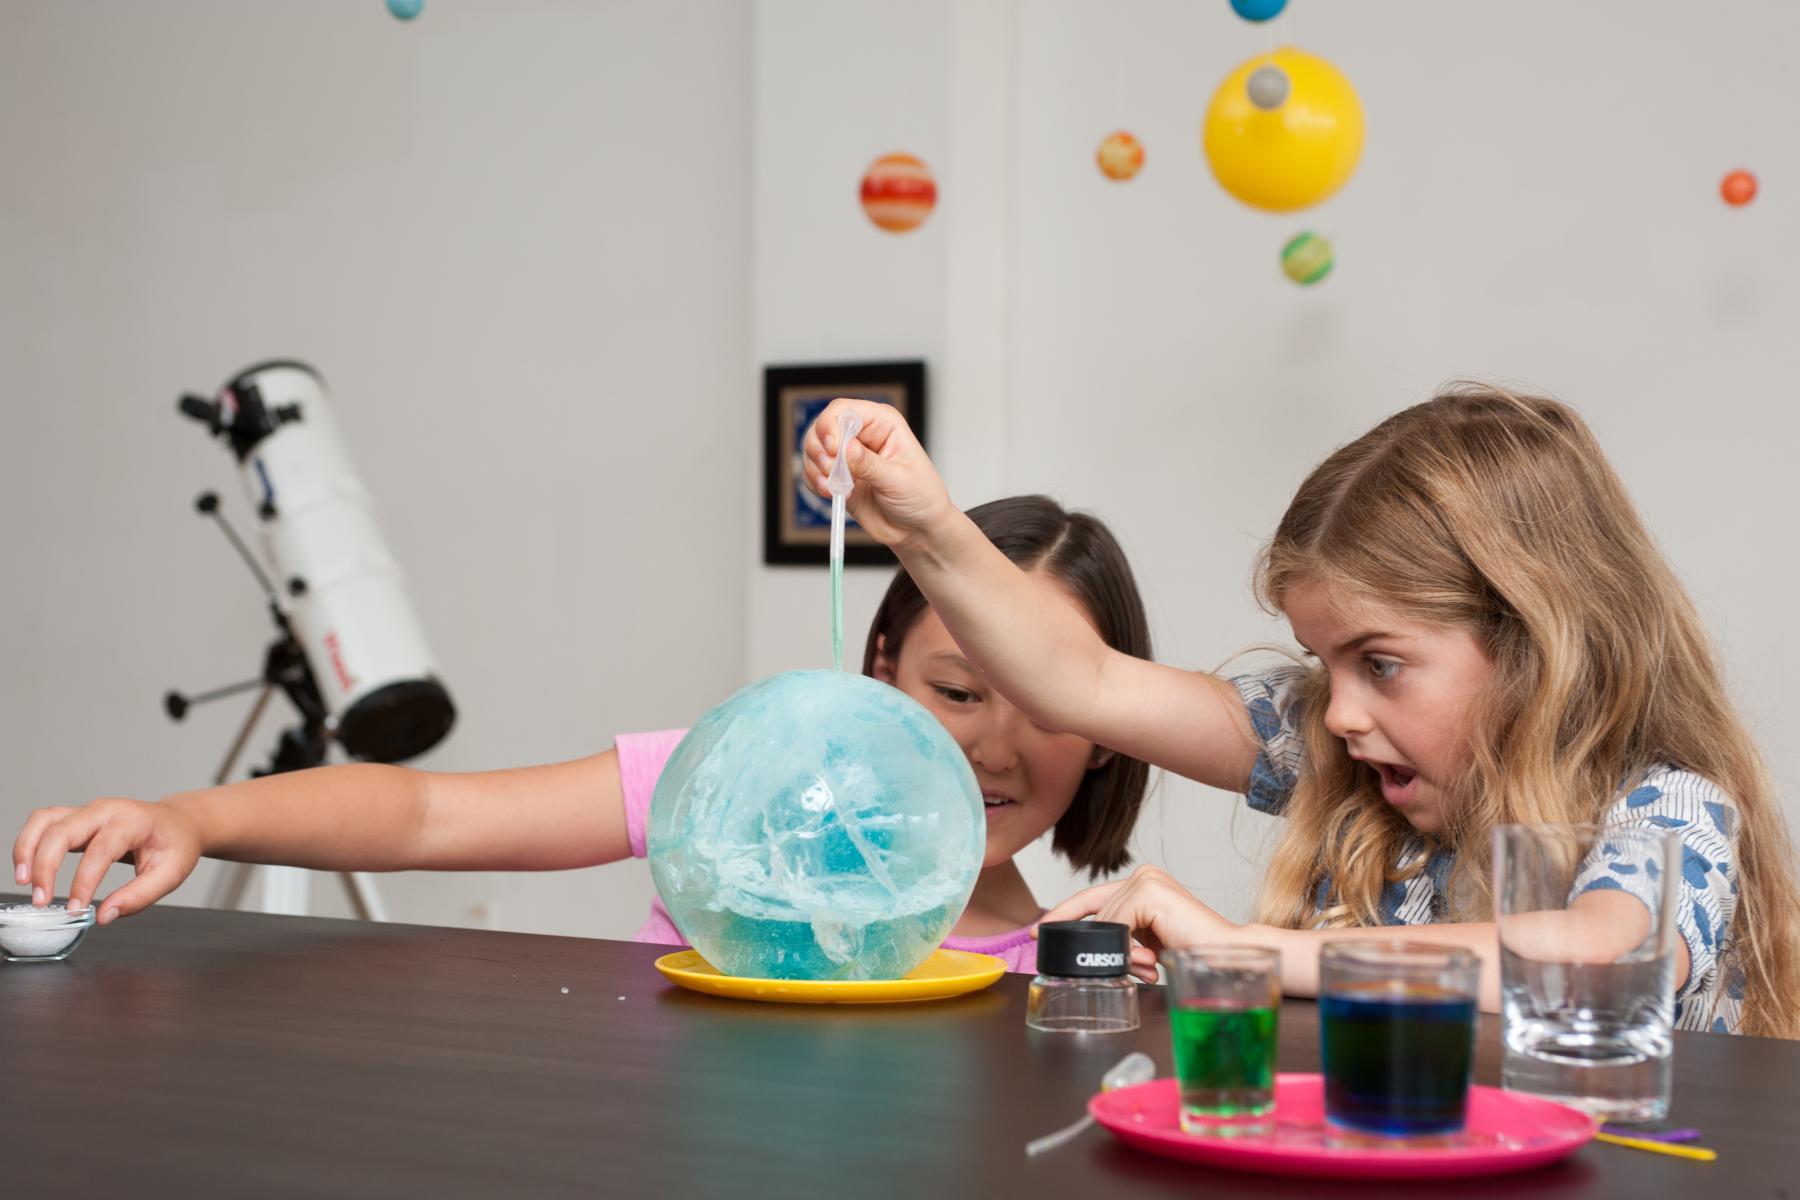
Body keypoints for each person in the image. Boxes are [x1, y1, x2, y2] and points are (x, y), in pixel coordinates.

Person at [802, 383, 1800, 1037]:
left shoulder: (1669, 807)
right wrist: (928, 528)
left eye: (1382, 663)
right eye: (1327, 665)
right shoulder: (1333, 750)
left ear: (1533, 645)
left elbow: (1606, 964)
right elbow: (1082, 684)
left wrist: (1242, 954)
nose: (1338, 715)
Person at [13, 496, 1153, 975]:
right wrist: (189, 819)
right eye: (959, 692)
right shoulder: (726, 800)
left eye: (1049, 707)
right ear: (880, 673)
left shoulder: (1083, 970)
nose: (995, 750)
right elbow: (425, 813)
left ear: (1109, 729)